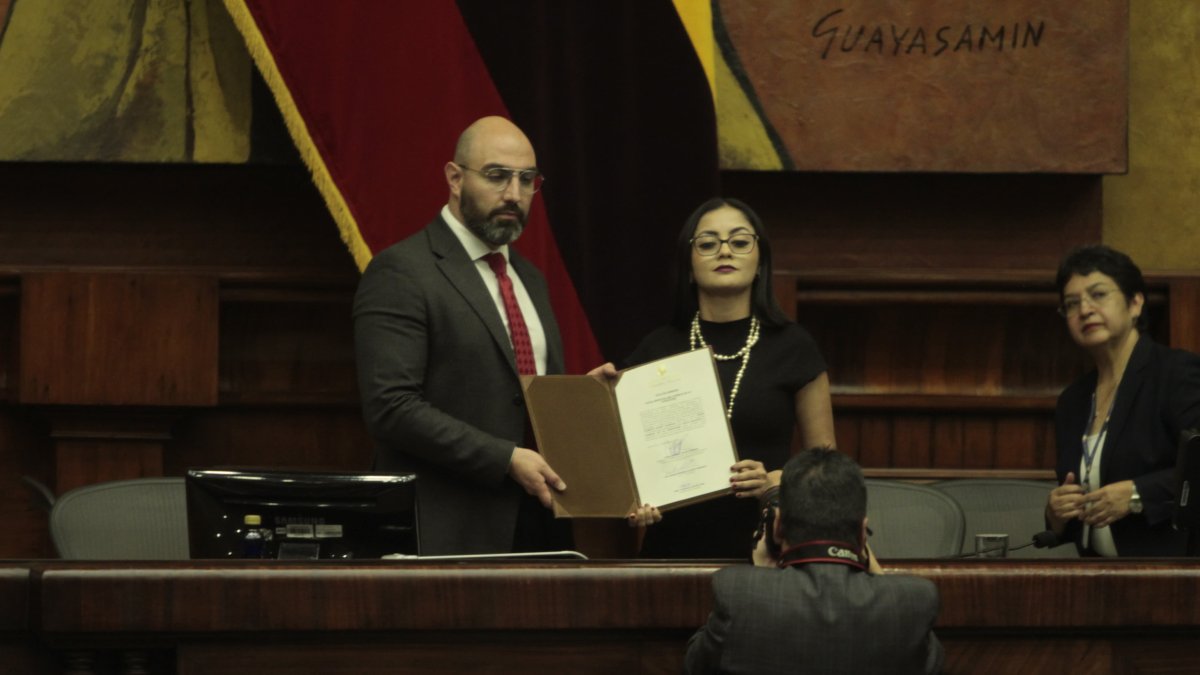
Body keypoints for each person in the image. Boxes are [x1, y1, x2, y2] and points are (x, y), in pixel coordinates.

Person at [354, 116, 571, 555]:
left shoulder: (529, 278)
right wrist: (505, 459)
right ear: (455, 178)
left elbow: (528, 397)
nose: (514, 194)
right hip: (445, 530)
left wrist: (585, 398)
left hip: (539, 522)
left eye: (526, 180)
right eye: (497, 176)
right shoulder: (403, 270)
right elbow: (390, 406)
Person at [594, 197, 835, 558]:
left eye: (739, 242)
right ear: (689, 267)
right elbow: (616, 462)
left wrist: (774, 480)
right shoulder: (656, 348)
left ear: (760, 264)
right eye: (708, 243)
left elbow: (827, 465)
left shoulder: (793, 345)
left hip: (765, 552)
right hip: (671, 554)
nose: (725, 251)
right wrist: (633, 496)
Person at [684, 447, 943, 675]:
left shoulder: (738, 592)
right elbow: (932, 664)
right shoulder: (913, 602)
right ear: (863, 534)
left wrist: (764, 574)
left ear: (777, 528)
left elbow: (695, 664)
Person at [1045, 244, 1200, 556]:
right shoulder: (1072, 401)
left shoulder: (1175, 373)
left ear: (1135, 303)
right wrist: (1056, 514)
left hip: (1176, 576)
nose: (1085, 309)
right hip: (1100, 578)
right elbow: (1082, 502)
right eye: (1072, 304)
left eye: (1098, 295)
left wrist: (1136, 494)